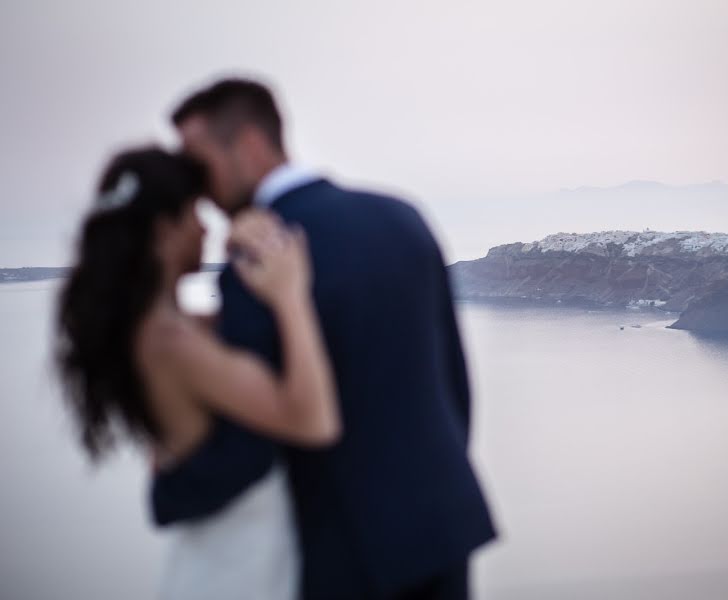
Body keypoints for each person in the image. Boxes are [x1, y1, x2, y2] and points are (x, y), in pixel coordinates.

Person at [153, 78, 496, 599]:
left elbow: (251, 451)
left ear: (248, 145)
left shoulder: (256, 263)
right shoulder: (400, 216)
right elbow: (453, 382)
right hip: (444, 524)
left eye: (200, 163)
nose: (197, 186)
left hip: (347, 552)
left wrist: (170, 487)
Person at [55, 146, 340, 600]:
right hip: (239, 572)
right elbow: (312, 420)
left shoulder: (151, 327)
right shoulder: (171, 342)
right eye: (194, 212)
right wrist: (290, 297)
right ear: (165, 230)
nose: (208, 226)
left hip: (224, 555)